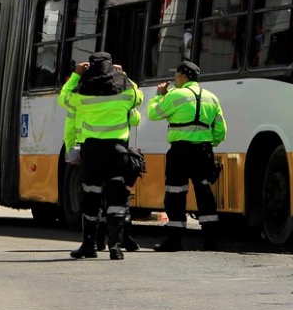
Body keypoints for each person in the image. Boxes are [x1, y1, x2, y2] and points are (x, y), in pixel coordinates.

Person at [58, 52, 143, 260]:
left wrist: (77, 75)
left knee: (91, 196)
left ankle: (89, 245)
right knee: (116, 196)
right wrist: (122, 74)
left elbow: (64, 99)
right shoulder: (126, 93)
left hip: (93, 151)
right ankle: (115, 247)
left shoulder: (83, 95)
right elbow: (139, 96)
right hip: (118, 150)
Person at [147, 60, 227, 251]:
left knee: (175, 193)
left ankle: (174, 240)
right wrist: (209, 143)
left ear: (184, 76)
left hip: (180, 152)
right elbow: (221, 130)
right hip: (203, 152)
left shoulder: (176, 95)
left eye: (176, 76)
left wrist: (159, 95)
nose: (174, 80)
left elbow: (153, 114)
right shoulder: (211, 98)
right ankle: (210, 240)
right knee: (205, 193)